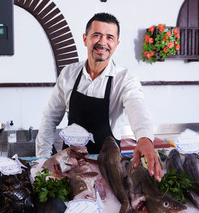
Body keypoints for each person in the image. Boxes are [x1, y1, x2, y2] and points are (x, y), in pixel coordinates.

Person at [36, 12, 162, 182]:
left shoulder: (125, 79)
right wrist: (43, 159)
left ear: (116, 44)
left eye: (109, 37)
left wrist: (145, 139)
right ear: (85, 39)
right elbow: (50, 118)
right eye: (96, 35)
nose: (103, 42)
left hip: (109, 170)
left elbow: (137, 105)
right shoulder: (68, 74)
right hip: (70, 167)